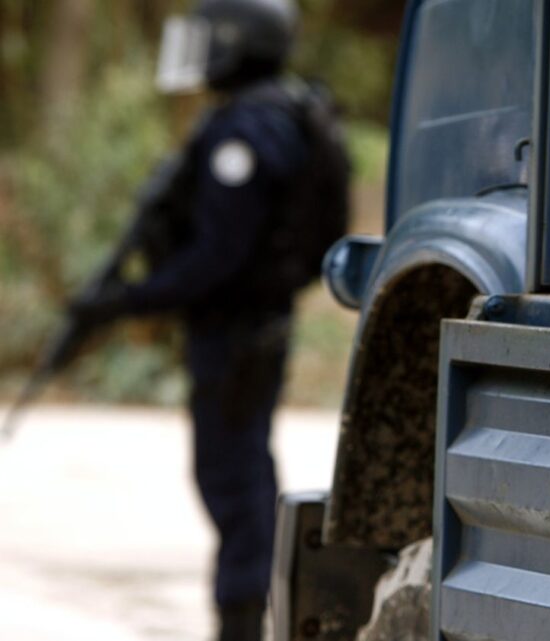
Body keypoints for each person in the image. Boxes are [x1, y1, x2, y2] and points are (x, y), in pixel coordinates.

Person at [68, 1, 349, 639]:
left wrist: (132, 299)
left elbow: (219, 254)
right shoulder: (274, 110)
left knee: (233, 477)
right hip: (251, 324)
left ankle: (244, 622)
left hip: (236, 329)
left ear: (238, 43)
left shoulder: (246, 129)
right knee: (243, 470)